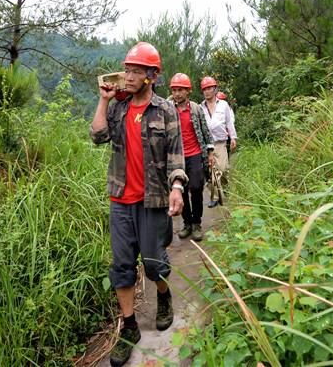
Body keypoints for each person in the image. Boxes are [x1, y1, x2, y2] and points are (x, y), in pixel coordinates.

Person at [90, 41, 188, 367]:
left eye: (136, 71)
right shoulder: (117, 107)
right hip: (120, 199)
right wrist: (103, 101)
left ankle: (163, 295)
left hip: (153, 200)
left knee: (154, 263)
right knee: (121, 267)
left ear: (151, 76)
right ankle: (129, 326)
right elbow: (97, 136)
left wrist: (177, 187)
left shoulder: (165, 110)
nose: (129, 76)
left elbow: (176, 156)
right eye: (127, 70)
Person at [168, 72, 215, 242]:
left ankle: (197, 223)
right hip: (176, 158)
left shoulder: (196, 109)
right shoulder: (167, 108)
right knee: (182, 189)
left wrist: (210, 153)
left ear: (188, 91)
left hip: (195, 154)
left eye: (181, 90)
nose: (177, 93)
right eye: (174, 90)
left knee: (196, 188)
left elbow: (205, 132)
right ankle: (187, 223)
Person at [200, 76, 237, 208]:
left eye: (209, 88)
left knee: (223, 169)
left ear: (215, 89)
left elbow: (229, 122)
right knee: (211, 172)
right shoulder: (200, 108)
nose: (207, 91)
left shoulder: (224, 105)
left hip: (221, 143)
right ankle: (215, 197)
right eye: (204, 89)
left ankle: (224, 188)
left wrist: (233, 137)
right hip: (206, 145)